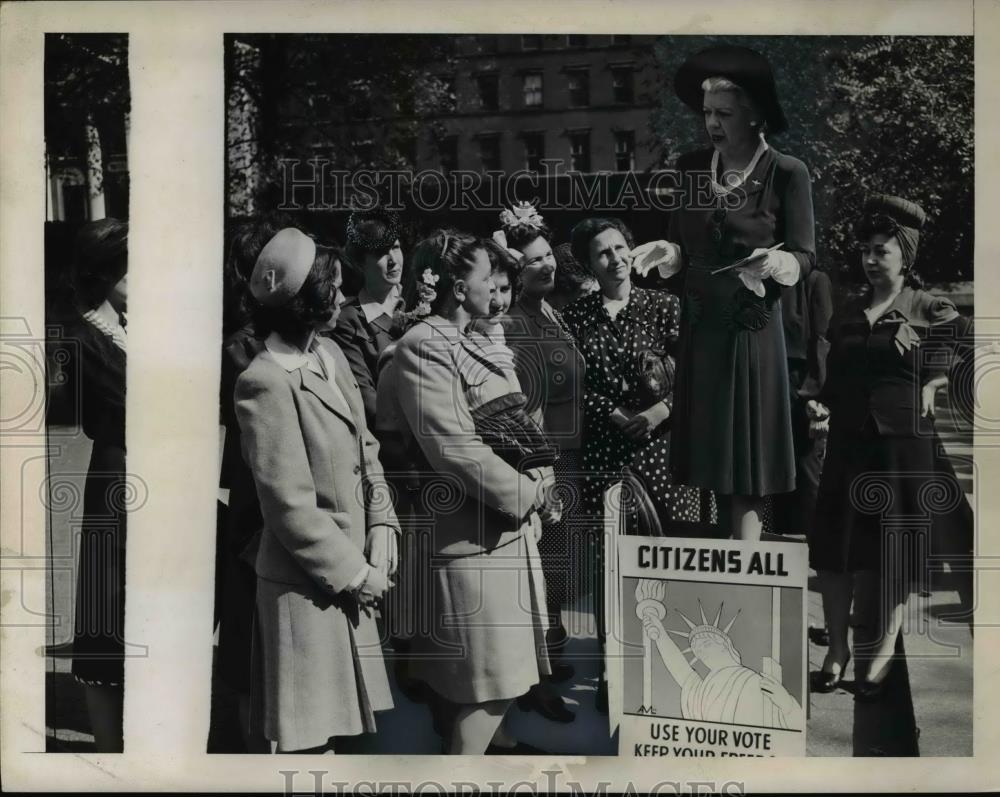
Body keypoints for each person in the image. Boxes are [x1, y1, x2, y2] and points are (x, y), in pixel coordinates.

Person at [393, 229, 559, 754]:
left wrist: (542, 478)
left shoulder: (478, 338)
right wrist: (529, 493)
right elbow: (454, 449)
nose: (498, 287)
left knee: (486, 681)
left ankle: (499, 752)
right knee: (488, 685)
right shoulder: (424, 344)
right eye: (487, 277)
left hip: (500, 534)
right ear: (456, 286)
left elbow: (513, 424)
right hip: (468, 538)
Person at [235, 227, 399, 753]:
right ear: (300, 303)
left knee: (350, 735)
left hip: (352, 574)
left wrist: (381, 523)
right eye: (329, 287)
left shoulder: (327, 353)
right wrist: (354, 574)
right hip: (306, 588)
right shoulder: (265, 380)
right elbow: (287, 505)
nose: (341, 294)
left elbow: (365, 449)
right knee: (310, 746)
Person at [807, 195, 973, 699]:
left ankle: (879, 655)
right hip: (847, 447)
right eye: (866, 251)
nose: (871, 259)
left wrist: (932, 380)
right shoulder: (848, 309)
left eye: (882, 251)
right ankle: (837, 649)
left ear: (905, 256)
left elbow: (960, 343)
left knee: (894, 555)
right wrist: (820, 406)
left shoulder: (927, 306)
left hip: (902, 448)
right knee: (833, 554)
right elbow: (833, 375)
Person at [648, 44, 816, 541]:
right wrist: (670, 254)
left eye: (724, 113)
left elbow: (807, 256)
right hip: (701, 327)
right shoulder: (692, 168)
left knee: (744, 463)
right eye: (707, 113)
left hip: (749, 329)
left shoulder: (787, 172)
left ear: (755, 115)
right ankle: (713, 563)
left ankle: (744, 569)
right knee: (706, 455)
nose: (712, 124)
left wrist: (780, 262)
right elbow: (683, 243)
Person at [563, 217, 708, 712]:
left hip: (663, 456)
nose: (615, 258)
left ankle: (670, 675)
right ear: (589, 263)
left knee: (663, 563)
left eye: (621, 248)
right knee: (612, 567)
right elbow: (575, 384)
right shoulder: (576, 316)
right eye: (602, 252)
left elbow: (693, 369)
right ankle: (614, 671)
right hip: (607, 455)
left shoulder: (664, 306)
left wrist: (659, 412)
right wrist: (616, 413)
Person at [495, 205, 586, 724]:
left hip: (565, 452)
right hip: (541, 457)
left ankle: (548, 659)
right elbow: (522, 404)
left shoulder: (549, 310)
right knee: (535, 571)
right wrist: (541, 466)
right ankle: (534, 682)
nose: (546, 266)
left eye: (548, 255)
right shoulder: (513, 321)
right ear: (515, 270)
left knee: (553, 568)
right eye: (532, 262)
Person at [63, 218, 128, 752]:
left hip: (153, 474)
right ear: (108, 272)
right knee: (108, 604)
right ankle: (110, 753)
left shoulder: (136, 327)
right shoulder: (84, 337)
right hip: (117, 478)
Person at [328, 206, 406, 429]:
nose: (393, 260)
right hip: (393, 437)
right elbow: (367, 400)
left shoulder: (420, 300)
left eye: (396, 247)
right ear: (361, 262)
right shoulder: (348, 319)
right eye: (380, 253)